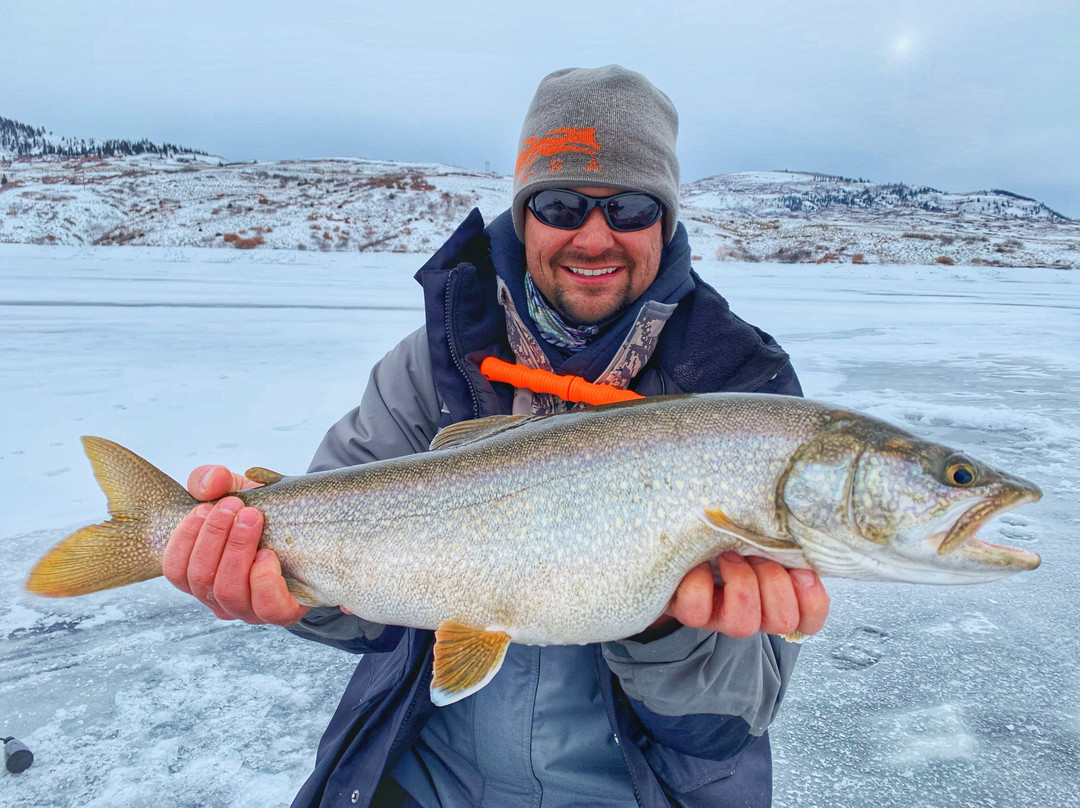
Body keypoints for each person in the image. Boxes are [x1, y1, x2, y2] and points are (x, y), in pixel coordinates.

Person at [162, 65, 831, 808]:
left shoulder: (743, 396)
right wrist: (287, 587)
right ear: (524, 215)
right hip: (427, 781)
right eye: (561, 203)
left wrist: (666, 626)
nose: (595, 236)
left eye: (631, 207)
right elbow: (358, 620)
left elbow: (733, 718)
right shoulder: (430, 366)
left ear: (666, 223)